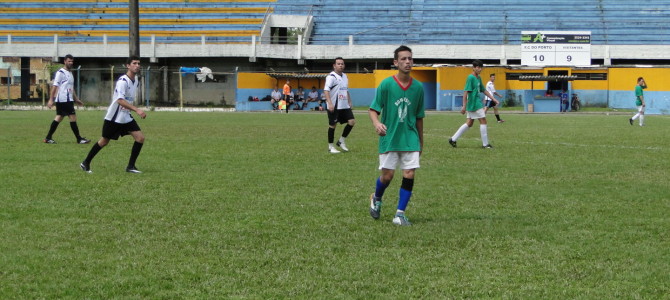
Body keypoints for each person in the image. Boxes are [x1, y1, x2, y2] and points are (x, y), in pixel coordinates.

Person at [368, 45, 424, 226]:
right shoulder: (386, 85)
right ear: (395, 62)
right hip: (390, 137)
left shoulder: (418, 88)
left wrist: (421, 142)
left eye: (410, 58)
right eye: (403, 59)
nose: (408, 62)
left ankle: (400, 214)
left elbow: (419, 118)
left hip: (410, 138)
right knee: (388, 176)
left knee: (409, 174)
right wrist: (377, 124)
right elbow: (373, 110)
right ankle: (376, 197)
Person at [80, 56, 147, 174]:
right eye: (134, 63)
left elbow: (128, 99)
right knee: (104, 141)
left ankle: (130, 166)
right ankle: (85, 162)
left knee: (140, 138)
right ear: (128, 65)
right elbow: (120, 100)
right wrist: (136, 110)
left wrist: (131, 109)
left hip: (125, 116)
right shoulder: (122, 81)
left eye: (138, 63)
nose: (137, 65)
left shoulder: (135, 80)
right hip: (114, 117)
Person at [448, 59, 497, 149]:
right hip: (474, 104)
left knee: (469, 123)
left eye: (481, 67)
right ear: (473, 68)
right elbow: (466, 91)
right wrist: (464, 106)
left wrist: (493, 98)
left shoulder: (479, 78)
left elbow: (483, 90)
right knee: (483, 121)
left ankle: (453, 139)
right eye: (478, 67)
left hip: (475, 103)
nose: (480, 69)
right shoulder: (470, 78)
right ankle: (485, 144)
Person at [43, 54, 90, 144]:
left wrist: (76, 99)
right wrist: (51, 99)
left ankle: (48, 137)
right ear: (64, 61)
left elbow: (71, 88)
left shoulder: (70, 73)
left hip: (68, 99)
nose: (71, 63)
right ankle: (79, 139)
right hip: (64, 99)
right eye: (69, 61)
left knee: (59, 117)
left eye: (72, 61)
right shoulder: (60, 73)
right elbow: (55, 86)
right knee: (72, 117)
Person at [324, 57, 355, 153]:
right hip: (334, 105)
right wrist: (330, 103)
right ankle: (330, 147)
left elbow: (346, 90)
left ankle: (341, 141)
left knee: (352, 122)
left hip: (344, 104)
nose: (341, 65)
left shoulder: (345, 76)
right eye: (338, 64)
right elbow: (326, 90)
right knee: (333, 125)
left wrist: (349, 101)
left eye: (342, 64)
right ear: (334, 65)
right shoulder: (331, 77)